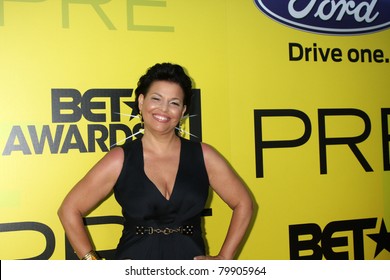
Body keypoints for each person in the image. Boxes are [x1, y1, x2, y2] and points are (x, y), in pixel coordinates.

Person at [58, 62, 253, 260]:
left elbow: (243, 203)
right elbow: (69, 210)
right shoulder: (120, 158)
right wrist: (92, 262)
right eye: (156, 99)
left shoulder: (204, 155)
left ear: (183, 110)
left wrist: (224, 258)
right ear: (141, 102)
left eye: (174, 103)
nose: (164, 109)